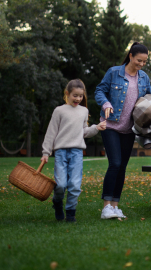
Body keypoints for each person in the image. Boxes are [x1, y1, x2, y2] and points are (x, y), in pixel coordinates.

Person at [95, 42, 151, 220]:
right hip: (110, 125)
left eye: (144, 61)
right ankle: (106, 207)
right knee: (115, 164)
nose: (141, 64)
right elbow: (99, 91)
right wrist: (106, 104)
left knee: (122, 167)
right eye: (138, 60)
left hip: (129, 129)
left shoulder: (144, 78)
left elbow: (150, 99)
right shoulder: (114, 72)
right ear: (130, 56)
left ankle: (115, 206)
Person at [41, 79, 107, 222]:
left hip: (77, 152)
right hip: (61, 152)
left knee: (75, 185)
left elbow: (84, 132)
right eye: (75, 95)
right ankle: (57, 202)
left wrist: (96, 128)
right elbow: (51, 132)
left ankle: (70, 213)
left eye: (80, 96)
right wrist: (46, 153)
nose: (78, 99)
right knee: (60, 185)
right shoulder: (59, 111)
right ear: (67, 94)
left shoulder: (84, 111)